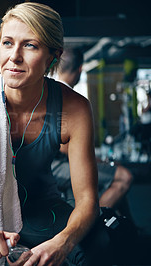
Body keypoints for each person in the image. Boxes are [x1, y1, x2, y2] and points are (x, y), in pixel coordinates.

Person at [0, 3, 110, 266]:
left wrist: (62, 243)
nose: (14, 56)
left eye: (30, 46)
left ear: (53, 56)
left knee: (101, 241)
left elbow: (87, 201)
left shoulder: (75, 108)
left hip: (45, 211)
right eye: (7, 43)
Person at [52, 47, 134, 213]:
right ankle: (91, 225)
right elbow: (65, 148)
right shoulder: (65, 97)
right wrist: (102, 162)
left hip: (57, 163)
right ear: (80, 69)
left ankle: (121, 230)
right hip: (55, 167)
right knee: (124, 177)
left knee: (110, 175)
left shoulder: (53, 91)